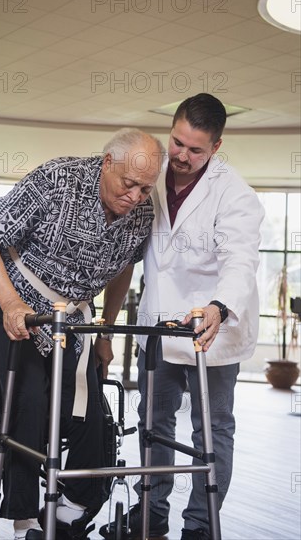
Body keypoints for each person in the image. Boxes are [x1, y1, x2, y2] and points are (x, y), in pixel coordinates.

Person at [0, 128, 165, 540]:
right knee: (31, 398)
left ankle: (73, 507)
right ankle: (24, 521)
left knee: (90, 410)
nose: (135, 197)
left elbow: (124, 265)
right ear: (107, 162)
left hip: (70, 320)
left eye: (146, 189)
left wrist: (106, 330)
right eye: (129, 184)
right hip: (8, 298)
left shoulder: (142, 212)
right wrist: (10, 303)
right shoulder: (58, 180)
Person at [100, 94, 264, 540]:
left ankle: (199, 524)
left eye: (196, 149)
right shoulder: (149, 176)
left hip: (213, 328)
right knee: (153, 425)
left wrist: (218, 305)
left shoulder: (235, 194)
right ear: (170, 129)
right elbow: (128, 254)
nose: (182, 156)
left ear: (216, 146)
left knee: (212, 432)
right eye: (177, 142)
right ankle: (150, 514)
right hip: (156, 325)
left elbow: (239, 261)